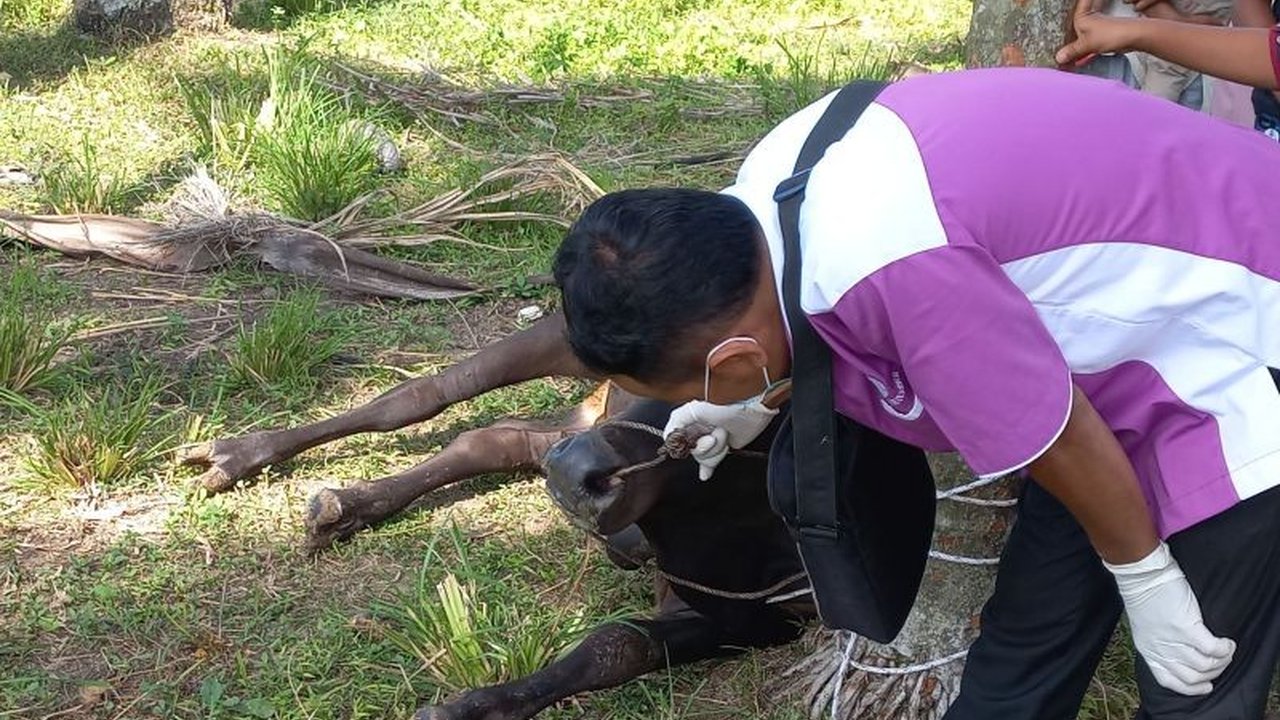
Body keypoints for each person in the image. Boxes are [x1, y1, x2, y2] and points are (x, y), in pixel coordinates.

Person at [551, 67, 1280, 719]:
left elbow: (1055, 433)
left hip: (1235, 342)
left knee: (1193, 681)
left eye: (691, 386)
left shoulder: (900, 266)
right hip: (1104, 358)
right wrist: (749, 403)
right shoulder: (772, 190)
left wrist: (1146, 578)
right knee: (1022, 650)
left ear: (735, 353)